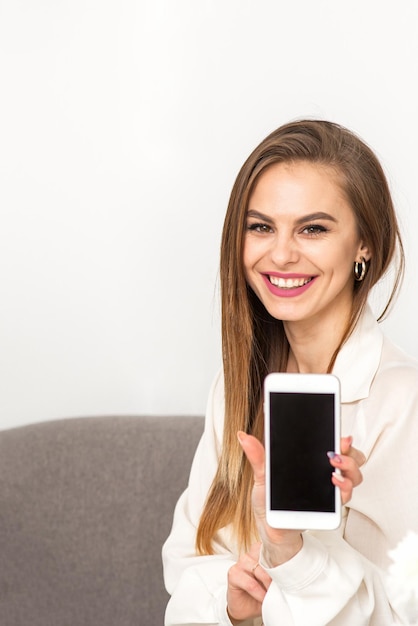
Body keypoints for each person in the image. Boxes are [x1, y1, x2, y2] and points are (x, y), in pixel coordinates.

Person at [162, 119, 418, 625]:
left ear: (364, 244)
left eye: (313, 228)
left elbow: (401, 611)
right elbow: (186, 568)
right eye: (261, 226)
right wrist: (235, 609)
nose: (280, 254)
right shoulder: (236, 387)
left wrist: (292, 553)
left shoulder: (399, 401)